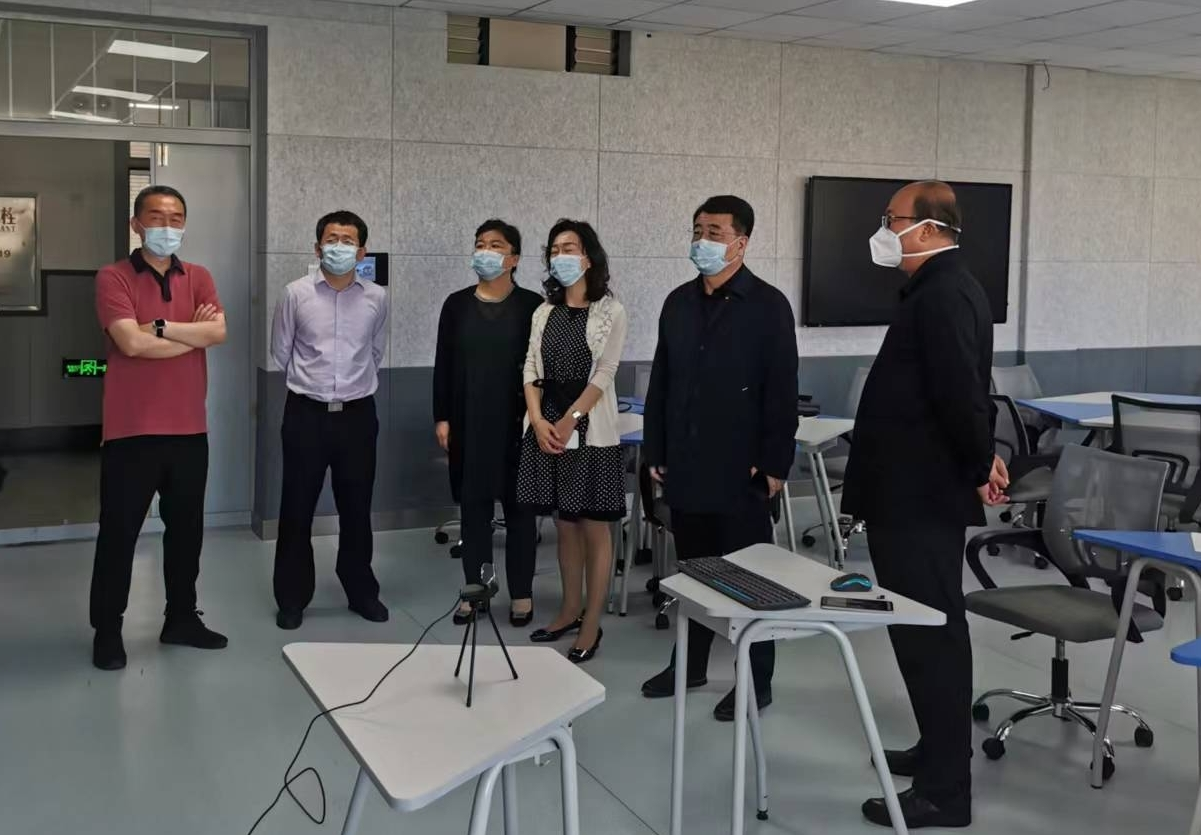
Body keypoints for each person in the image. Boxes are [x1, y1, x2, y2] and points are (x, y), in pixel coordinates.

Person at [843, 181, 1009, 829]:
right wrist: (981, 457)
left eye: (893, 219)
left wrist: (979, 462)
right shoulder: (935, 289)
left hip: (920, 497)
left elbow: (960, 393)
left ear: (931, 228)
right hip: (908, 492)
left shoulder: (944, 292)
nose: (884, 229)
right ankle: (936, 749)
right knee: (917, 632)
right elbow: (963, 389)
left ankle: (946, 791)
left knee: (932, 635)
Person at [640, 195, 798, 721]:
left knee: (751, 579)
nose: (702, 241)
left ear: (741, 243)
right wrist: (657, 449)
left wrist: (774, 465)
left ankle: (757, 679)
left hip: (741, 469)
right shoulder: (678, 303)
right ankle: (689, 664)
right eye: (697, 230)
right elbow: (662, 383)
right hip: (687, 464)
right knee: (695, 573)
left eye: (714, 232)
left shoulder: (769, 305)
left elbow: (782, 390)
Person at [90, 185, 229, 671]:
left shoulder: (200, 276)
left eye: (176, 218)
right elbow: (129, 343)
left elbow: (218, 332)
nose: (167, 226)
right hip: (131, 432)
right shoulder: (113, 277)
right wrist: (189, 334)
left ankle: (181, 619)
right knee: (119, 534)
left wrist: (161, 328)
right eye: (156, 217)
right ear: (136, 224)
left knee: (187, 533)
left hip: (189, 430)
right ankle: (108, 630)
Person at [270, 211, 390, 630]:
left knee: (357, 508)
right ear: (318, 246)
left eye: (348, 240)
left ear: (362, 251)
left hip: (357, 416)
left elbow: (375, 351)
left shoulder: (377, 297)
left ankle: (361, 591)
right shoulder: (295, 294)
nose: (339, 246)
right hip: (305, 414)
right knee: (296, 508)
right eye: (331, 238)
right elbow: (281, 352)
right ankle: (291, 597)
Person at [516, 219, 627, 664]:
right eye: (555, 249)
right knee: (564, 524)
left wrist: (569, 420)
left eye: (570, 248)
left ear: (589, 257)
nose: (561, 256)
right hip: (547, 429)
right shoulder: (544, 311)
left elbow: (605, 372)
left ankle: (592, 623)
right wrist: (539, 420)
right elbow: (530, 367)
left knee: (593, 527)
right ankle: (568, 610)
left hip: (588, 430)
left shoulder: (611, 311)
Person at [433, 220, 543, 627]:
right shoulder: (456, 305)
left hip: (519, 425)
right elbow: (444, 365)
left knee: (520, 514)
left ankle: (522, 594)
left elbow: (541, 369)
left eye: (496, 245)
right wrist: (442, 416)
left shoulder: (533, 306)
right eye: (480, 244)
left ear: (513, 258)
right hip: (468, 423)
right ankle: (475, 592)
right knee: (474, 512)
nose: (485, 252)